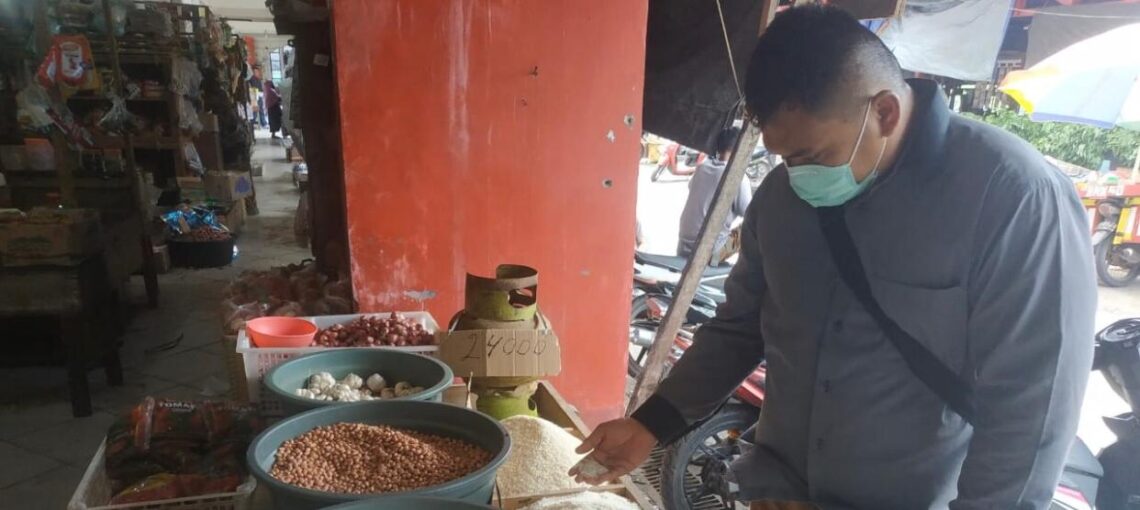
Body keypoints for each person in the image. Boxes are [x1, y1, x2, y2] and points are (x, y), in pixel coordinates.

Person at [573, 7, 1096, 509]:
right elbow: (738, 328)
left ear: (884, 112)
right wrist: (651, 424)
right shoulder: (781, 198)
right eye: (783, 157)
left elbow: (1033, 405)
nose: (798, 176)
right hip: (781, 489)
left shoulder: (1013, 197)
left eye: (813, 156)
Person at [676, 126, 752, 262]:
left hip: (683, 245)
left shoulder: (701, 167)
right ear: (740, 150)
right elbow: (750, 214)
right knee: (753, 226)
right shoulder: (737, 176)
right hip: (709, 253)